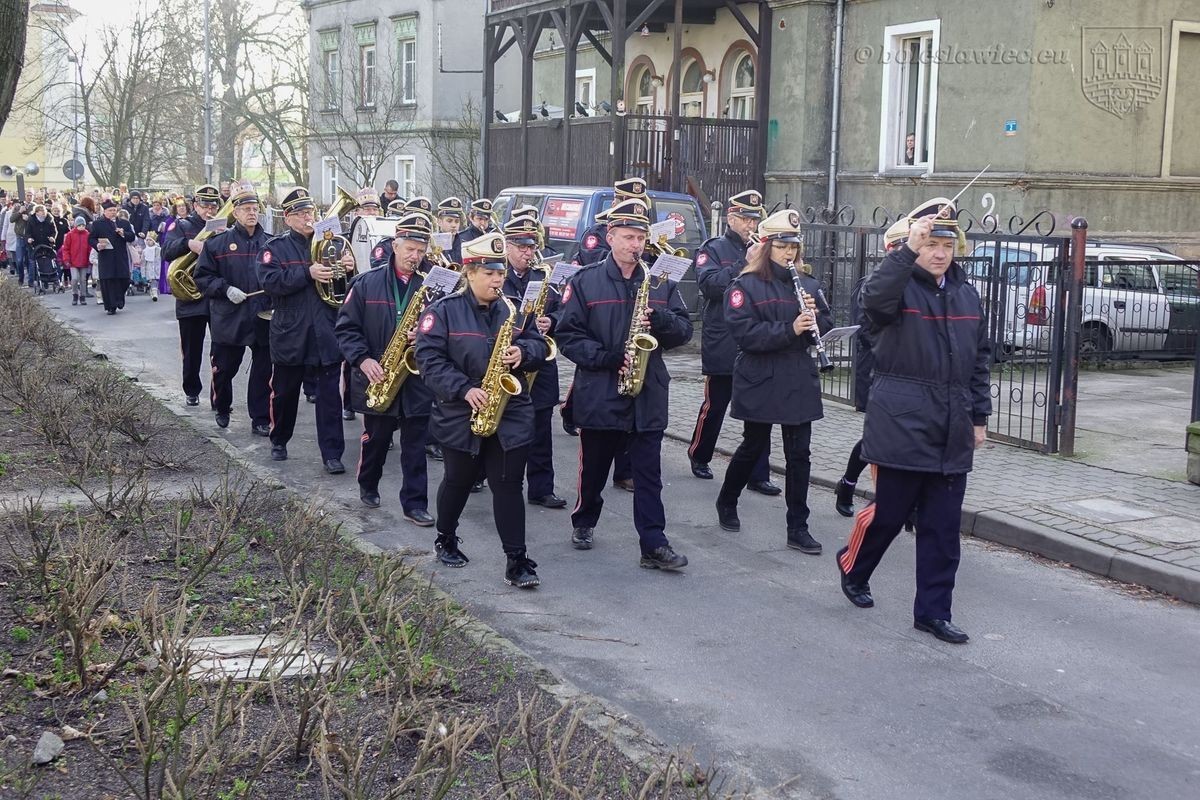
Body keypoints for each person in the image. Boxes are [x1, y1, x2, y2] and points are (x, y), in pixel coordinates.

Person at [836, 198, 990, 645]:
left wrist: (979, 417)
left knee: (942, 529)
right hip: (901, 421)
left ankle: (933, 612)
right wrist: (904, 252)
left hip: (952, 428)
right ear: (914, 244)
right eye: (930, 243)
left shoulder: (966, 293)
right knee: (889, 515)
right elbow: (873, 301)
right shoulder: (895, 286)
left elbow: (979, 361)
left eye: (947, 244)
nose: (940, 253)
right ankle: (854, 566)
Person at [555, 197, 692, 571]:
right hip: (601, 390)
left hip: (647, 392)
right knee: (594, 467)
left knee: (649, 475)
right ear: (610, 237)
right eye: (629, 237)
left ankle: (653, 543)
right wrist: (611, 358)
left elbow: (684, 330)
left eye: (641, 238)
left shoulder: (658, 281)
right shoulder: (585, 281)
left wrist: (660, 319)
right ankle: (584, 520)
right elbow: (569, 336)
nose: (636, 245)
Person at [414, 232, 548, 587]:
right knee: (457, 480)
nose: (496, 279)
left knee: (508, 485)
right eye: (488, 272)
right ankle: (445, 538)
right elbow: (428, 359)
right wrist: (464, 389)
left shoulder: (515, 308)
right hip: (461, 412)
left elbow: (539, 344)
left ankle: (517, 561)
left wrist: (525, 353)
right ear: (468, 272)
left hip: (511, 411)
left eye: (500, 272)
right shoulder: (442, 311)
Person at [713, 209, 832, 554]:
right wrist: (790, 328)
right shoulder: (744, 286)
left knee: (800, 455)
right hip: (761, 376)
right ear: (766, 247)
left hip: (797, 376)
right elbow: (745, 334)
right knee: (753, 446)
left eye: (793, 247)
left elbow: (824, 325)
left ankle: (798, 527)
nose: (789, 253)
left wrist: (816, 321)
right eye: (781, 247)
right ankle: (727, 499)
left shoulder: (808, 285)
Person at [335, 213, 436, 525]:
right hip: (377, 373)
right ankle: (368, 482)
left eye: (420, 251)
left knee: (415, 444)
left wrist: (423, 336)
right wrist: (363, 360)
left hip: (416, 376)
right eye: (409, 249)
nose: (414, 257)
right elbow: (345, 329)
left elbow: (446, 331)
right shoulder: (366, 283)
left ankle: (415, 504)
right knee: (376, 438)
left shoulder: (433, 288)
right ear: (395, 245)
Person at [688, 190, 778, 496]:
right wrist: (744, 262)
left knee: (759, 410)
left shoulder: (765, 249)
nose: (751, 225)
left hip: (754, 341)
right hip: (723, 340)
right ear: (731, 218)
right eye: (745, 219)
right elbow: (710, 286)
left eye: (755, 219)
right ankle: (700, 455)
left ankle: (758, 472)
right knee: (716, 405)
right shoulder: (714, 248)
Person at [256, 187, 351, 473]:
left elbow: (344, 290)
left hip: (325, 330)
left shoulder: (331, 244)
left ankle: (332, 454)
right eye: (300, 214)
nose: (307, 218)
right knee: (284, 393)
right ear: (287, 218)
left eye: (310, 212)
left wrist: (348, 269)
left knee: (330, 399)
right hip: (291, 331)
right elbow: (270, 282)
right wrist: (307, 273)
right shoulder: (274, 248)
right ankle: (279, 439)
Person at [835, 219, 908, 517]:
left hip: (909, 379)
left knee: (905, 439)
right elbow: (866, 330)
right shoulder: (872, 284)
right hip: (877, 374)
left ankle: (901, 504)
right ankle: (849, 482)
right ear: (891, 251)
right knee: (877, 440)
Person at [194, 180, 272, 436]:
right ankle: (223, 407)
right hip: (229, 317)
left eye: (255, 208)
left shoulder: (271, 244)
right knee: (224, 368)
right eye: (246, 208)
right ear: (235, 212)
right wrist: (225, 288)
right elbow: (202, 277)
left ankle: (259, 417)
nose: (252, 213)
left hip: (262, 316)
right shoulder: (218, 244)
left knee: (263, 371)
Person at [501, 214, 565, 508]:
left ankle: (541, 487)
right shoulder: (495, 275)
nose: (528, 252)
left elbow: (567, 313)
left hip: (540, 361)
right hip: (506, 361)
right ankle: (495, 478)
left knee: (541, 428)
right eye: (522, 246)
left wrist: (551, 321)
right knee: (503, 424)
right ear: (506, 246)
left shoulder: (544, 277)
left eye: (532, 246)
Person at [162, 185, 219, 406]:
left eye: (213, 205)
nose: (209, 210)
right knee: (192, 349)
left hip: (216, 296)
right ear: (195, 206)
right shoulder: (183, 226)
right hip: (190, 298)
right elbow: (166, 251)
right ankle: (192, 390)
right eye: (204, 205)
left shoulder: (224, 227)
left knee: (221, 352)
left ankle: (219, 397)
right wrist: (188, 244)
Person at [89, 199, 135, 314]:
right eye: (110, 210)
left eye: (114, 210)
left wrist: (123, 234)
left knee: (124, 280)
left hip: (120, 257)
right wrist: (98, 245)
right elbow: (91, 239)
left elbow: (132, 237)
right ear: (104, 211)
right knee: (108, 282)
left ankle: (119, 298)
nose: (113, 212)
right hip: (106, 257)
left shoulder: (124, 223)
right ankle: (110, 306)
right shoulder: (97, 224)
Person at [449, 198, 495, 264]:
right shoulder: (461, 237)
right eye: (479, 218)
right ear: (471, 217)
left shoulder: (494, 234)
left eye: (486, 219)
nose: (483, 222)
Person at [61, 216, 91, 306]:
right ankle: (75, 294)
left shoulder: (87, 234)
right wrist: (66, 259)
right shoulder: (70, 235)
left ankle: (83, 296)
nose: (82, 227)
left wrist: (90, 259)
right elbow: (65, 248)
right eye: (80, 225)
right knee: (74, 279)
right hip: (73, 262)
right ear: (76, 225)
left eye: (83, 225)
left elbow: (89, 248)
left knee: (83, 280)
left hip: (84, 262)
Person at [142, 230, 161, 301]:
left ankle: (154, 293)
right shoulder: (145, 250)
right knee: (151, 281)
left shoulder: (158, 249)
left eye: (150, 240)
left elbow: (158, 260)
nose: (148, 241)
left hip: (156, 267)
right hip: (148, 268)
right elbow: (143, 262)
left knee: (155, 281)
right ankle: (153, 291)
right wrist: (143, 272)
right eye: (147, 240)